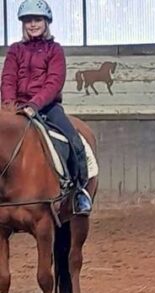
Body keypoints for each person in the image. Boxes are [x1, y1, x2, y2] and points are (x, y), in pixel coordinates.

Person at [0, 0, 92, 214]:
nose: (33, 24)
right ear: (23, 24)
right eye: (28, 21)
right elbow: (8, 79)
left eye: (37, 20)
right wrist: (8, 106)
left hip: (47, 107)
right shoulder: (15, 50)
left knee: (74, 141)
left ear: (46, 22)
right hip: (15, 108)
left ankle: (78, 192)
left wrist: (34, 104)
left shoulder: (55, 50)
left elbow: (54, 82)